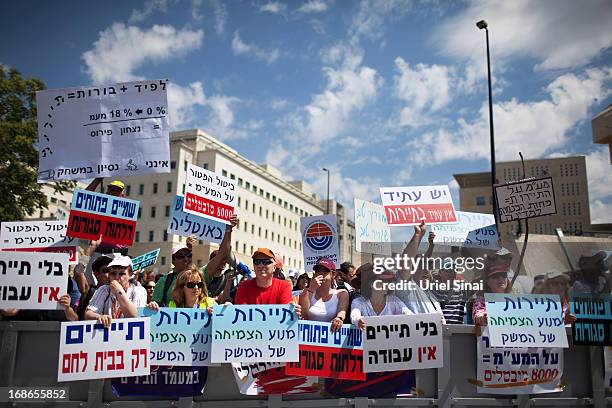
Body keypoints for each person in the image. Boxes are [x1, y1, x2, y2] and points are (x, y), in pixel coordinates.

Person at [394, 221, 443, 315]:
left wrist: (431, 246)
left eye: (428, 266)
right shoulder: (408, 289)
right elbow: (406, 262)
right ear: (411, 271)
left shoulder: (432, 297)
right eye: (420, 266)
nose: (425, 270)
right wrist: (418, 235)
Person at [85, 256, 147, 328]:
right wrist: (99, 316)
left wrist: (119, 291)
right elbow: (88, 314)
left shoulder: (139, 290)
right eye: (113, 273)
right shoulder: (104, 289)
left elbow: (134, 317)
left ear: (130, 275)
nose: (117, 277)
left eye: (122, 274)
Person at [350, 263, 413, 331]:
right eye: (381, 282)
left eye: (387, 282)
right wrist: (359, 321)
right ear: (371, 284)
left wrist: (407, 315)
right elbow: (355, 315)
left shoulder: (394, 301)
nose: (385, 285)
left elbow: (408, 314)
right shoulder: (358, 301)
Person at [299, 258, 349, 332]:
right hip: (309, 336)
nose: (321, 273)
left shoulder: (341, 293)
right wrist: (311, 289)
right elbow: (303, 313)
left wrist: (339, 318)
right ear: (314, 274)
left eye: (326, 271)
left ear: (333, 274)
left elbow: (342, 312)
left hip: (330, 336)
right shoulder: (306, 292)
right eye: (318, 271)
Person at [147, 267, 216, 313]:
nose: (196, 287)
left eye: (199, 284)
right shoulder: (171, 306)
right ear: (182, 287)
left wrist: (224, 310)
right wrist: (152, 308)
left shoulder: (210, 303)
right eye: (191, 285)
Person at [75, 254, 113, 320]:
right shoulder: (90, 290)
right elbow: (78, 272)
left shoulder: (117, 293)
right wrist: (90, 250)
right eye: (105, 271)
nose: (109, 274)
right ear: (96, 274)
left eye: (112, 271)